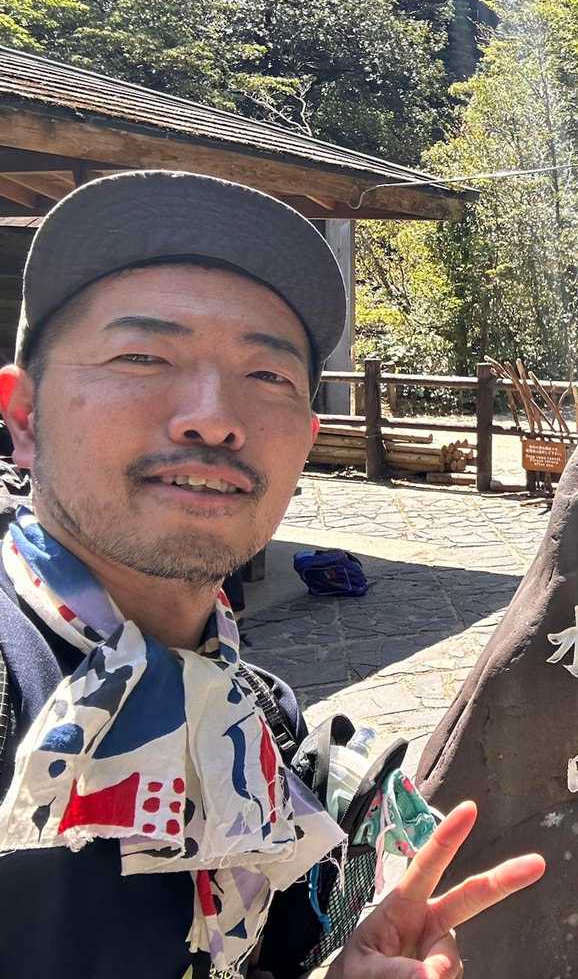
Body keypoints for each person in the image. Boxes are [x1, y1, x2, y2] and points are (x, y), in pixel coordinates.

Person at [0, 171, 545, 979]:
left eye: (267, 377)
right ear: (23, 416)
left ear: (305, 441)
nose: (215, 418)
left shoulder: (252, 717)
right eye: (142, 356)